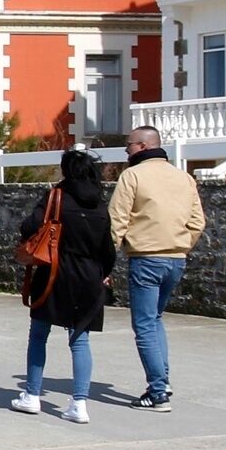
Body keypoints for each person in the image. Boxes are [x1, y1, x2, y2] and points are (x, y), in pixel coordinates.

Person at [13, 147, 116, 424]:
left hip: (54, 273)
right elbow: (108, 249)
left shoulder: (56, 198)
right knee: (80, 339)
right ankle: (79, 403)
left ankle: (32, 395)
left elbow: (29, 227)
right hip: (89, 276)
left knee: (39, 334)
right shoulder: (100, 205)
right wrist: (105, 272)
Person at [109, 123, 204, 410]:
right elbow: (198, 221)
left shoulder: (132, 176)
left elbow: (117, 221)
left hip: (146, 258)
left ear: (143, 146)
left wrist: (105, 262)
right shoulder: (183, 177)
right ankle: (163, 379)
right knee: (155, 319)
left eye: (130, 144)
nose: (126, 149)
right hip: (176, 258)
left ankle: (158, 391)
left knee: (145, 325)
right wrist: (180, 244)